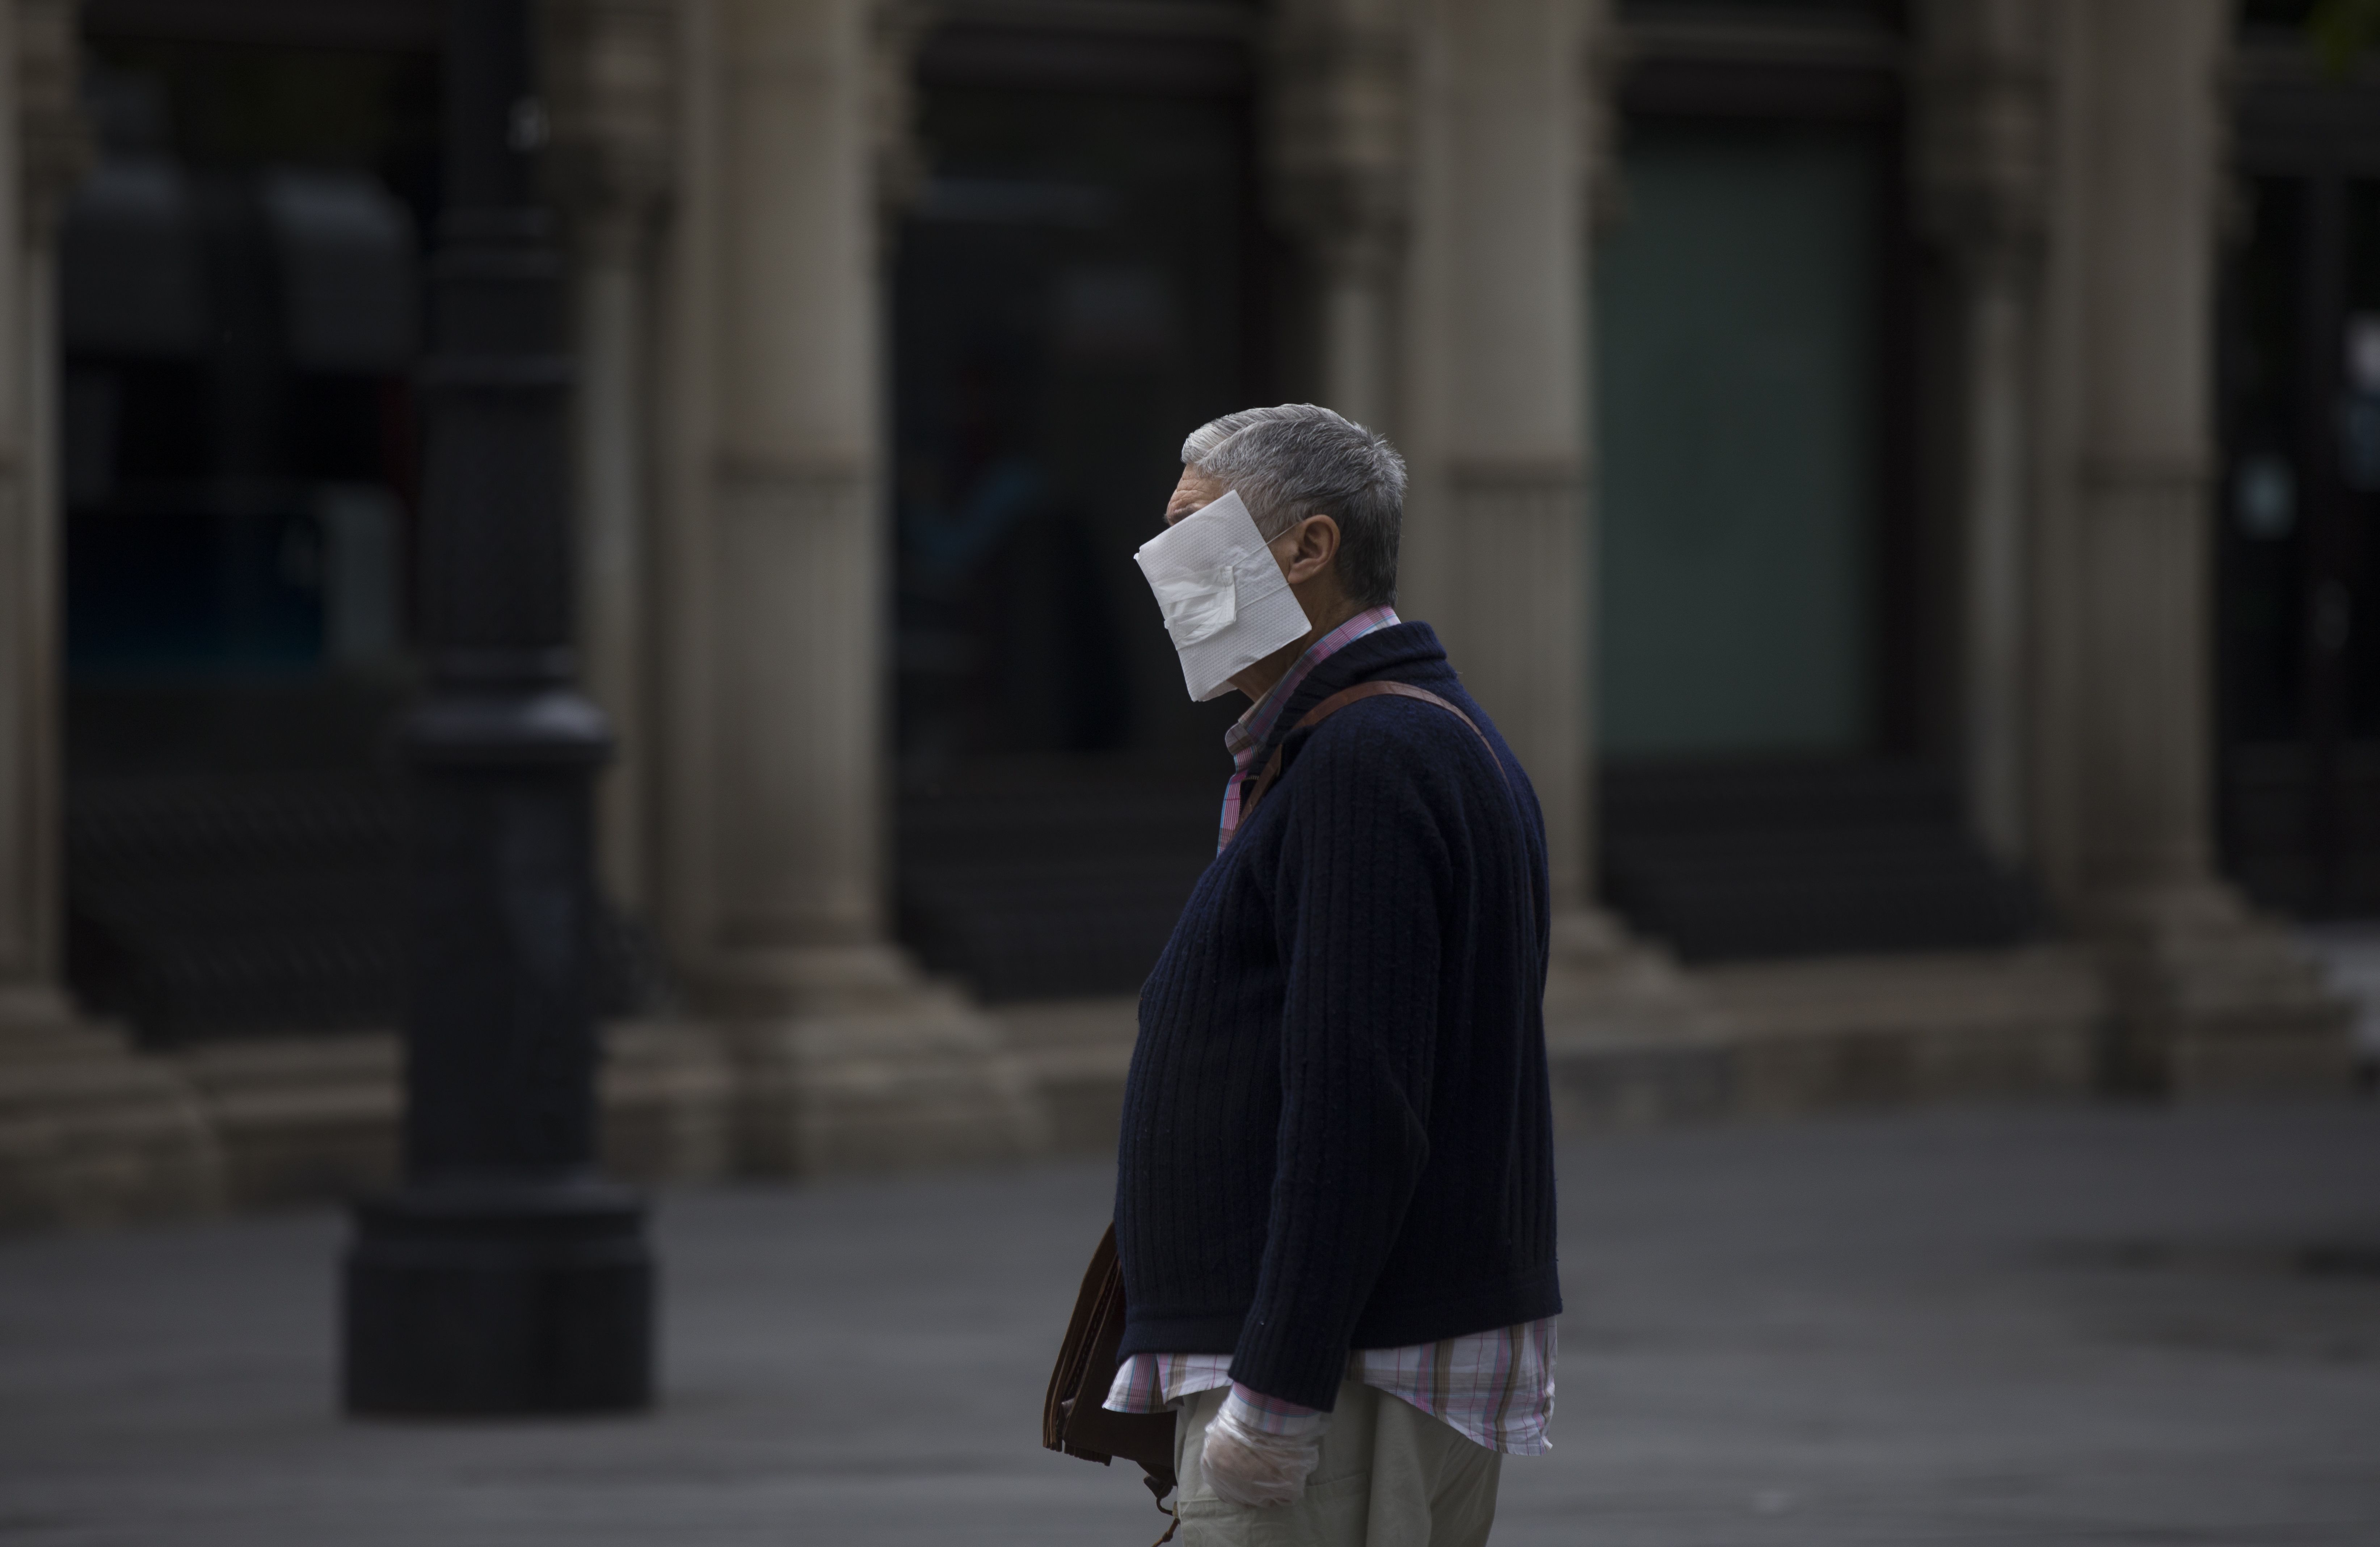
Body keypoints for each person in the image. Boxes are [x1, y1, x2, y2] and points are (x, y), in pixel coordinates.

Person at [1107, 404, 1560, 1546]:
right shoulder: (1375, 741)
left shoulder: (1368, 756)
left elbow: (1357, 1104)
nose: (1163, 566)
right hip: (1349, 1364)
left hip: (1343, 1377)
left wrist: (1274, 1397)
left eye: (1191, 526)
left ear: (1308, 548)